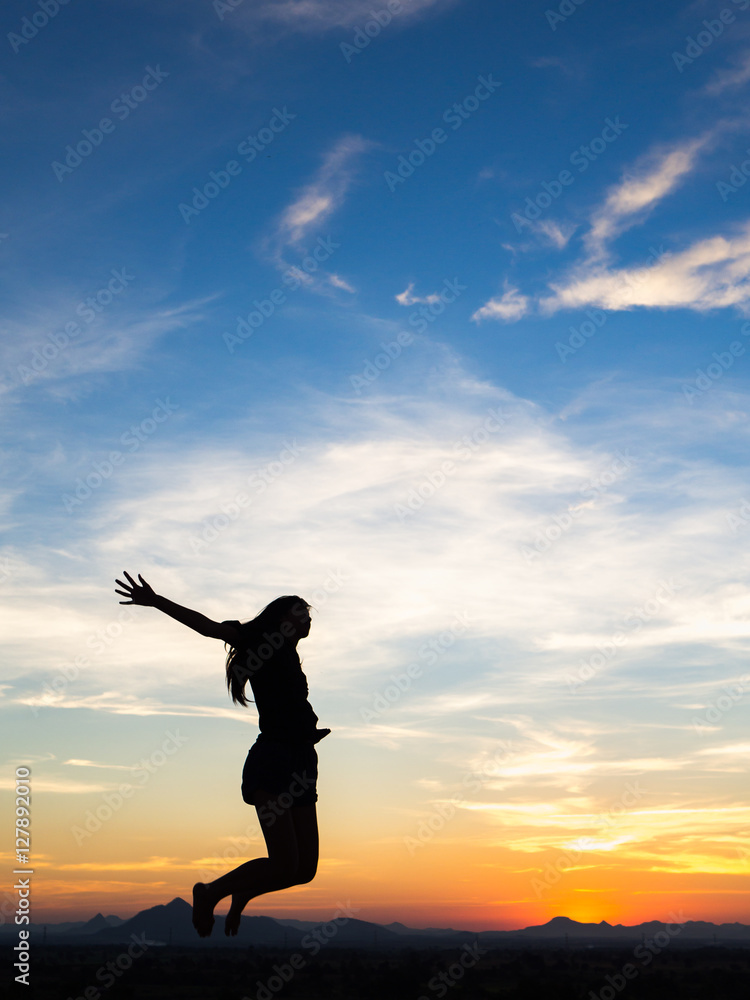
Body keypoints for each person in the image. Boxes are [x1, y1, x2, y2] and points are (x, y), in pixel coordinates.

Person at [114, 570, 330, 937]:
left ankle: (241, 894)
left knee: (303, 870)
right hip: (274, 761)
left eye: (309, 613)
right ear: (281, 618)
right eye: (300, 611)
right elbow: (208, 628)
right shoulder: (262, 638)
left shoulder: (291, 657)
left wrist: (307, 732)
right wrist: (156, 601)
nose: (308, 617)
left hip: (302, 761)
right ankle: (209, 892)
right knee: (283, 864)